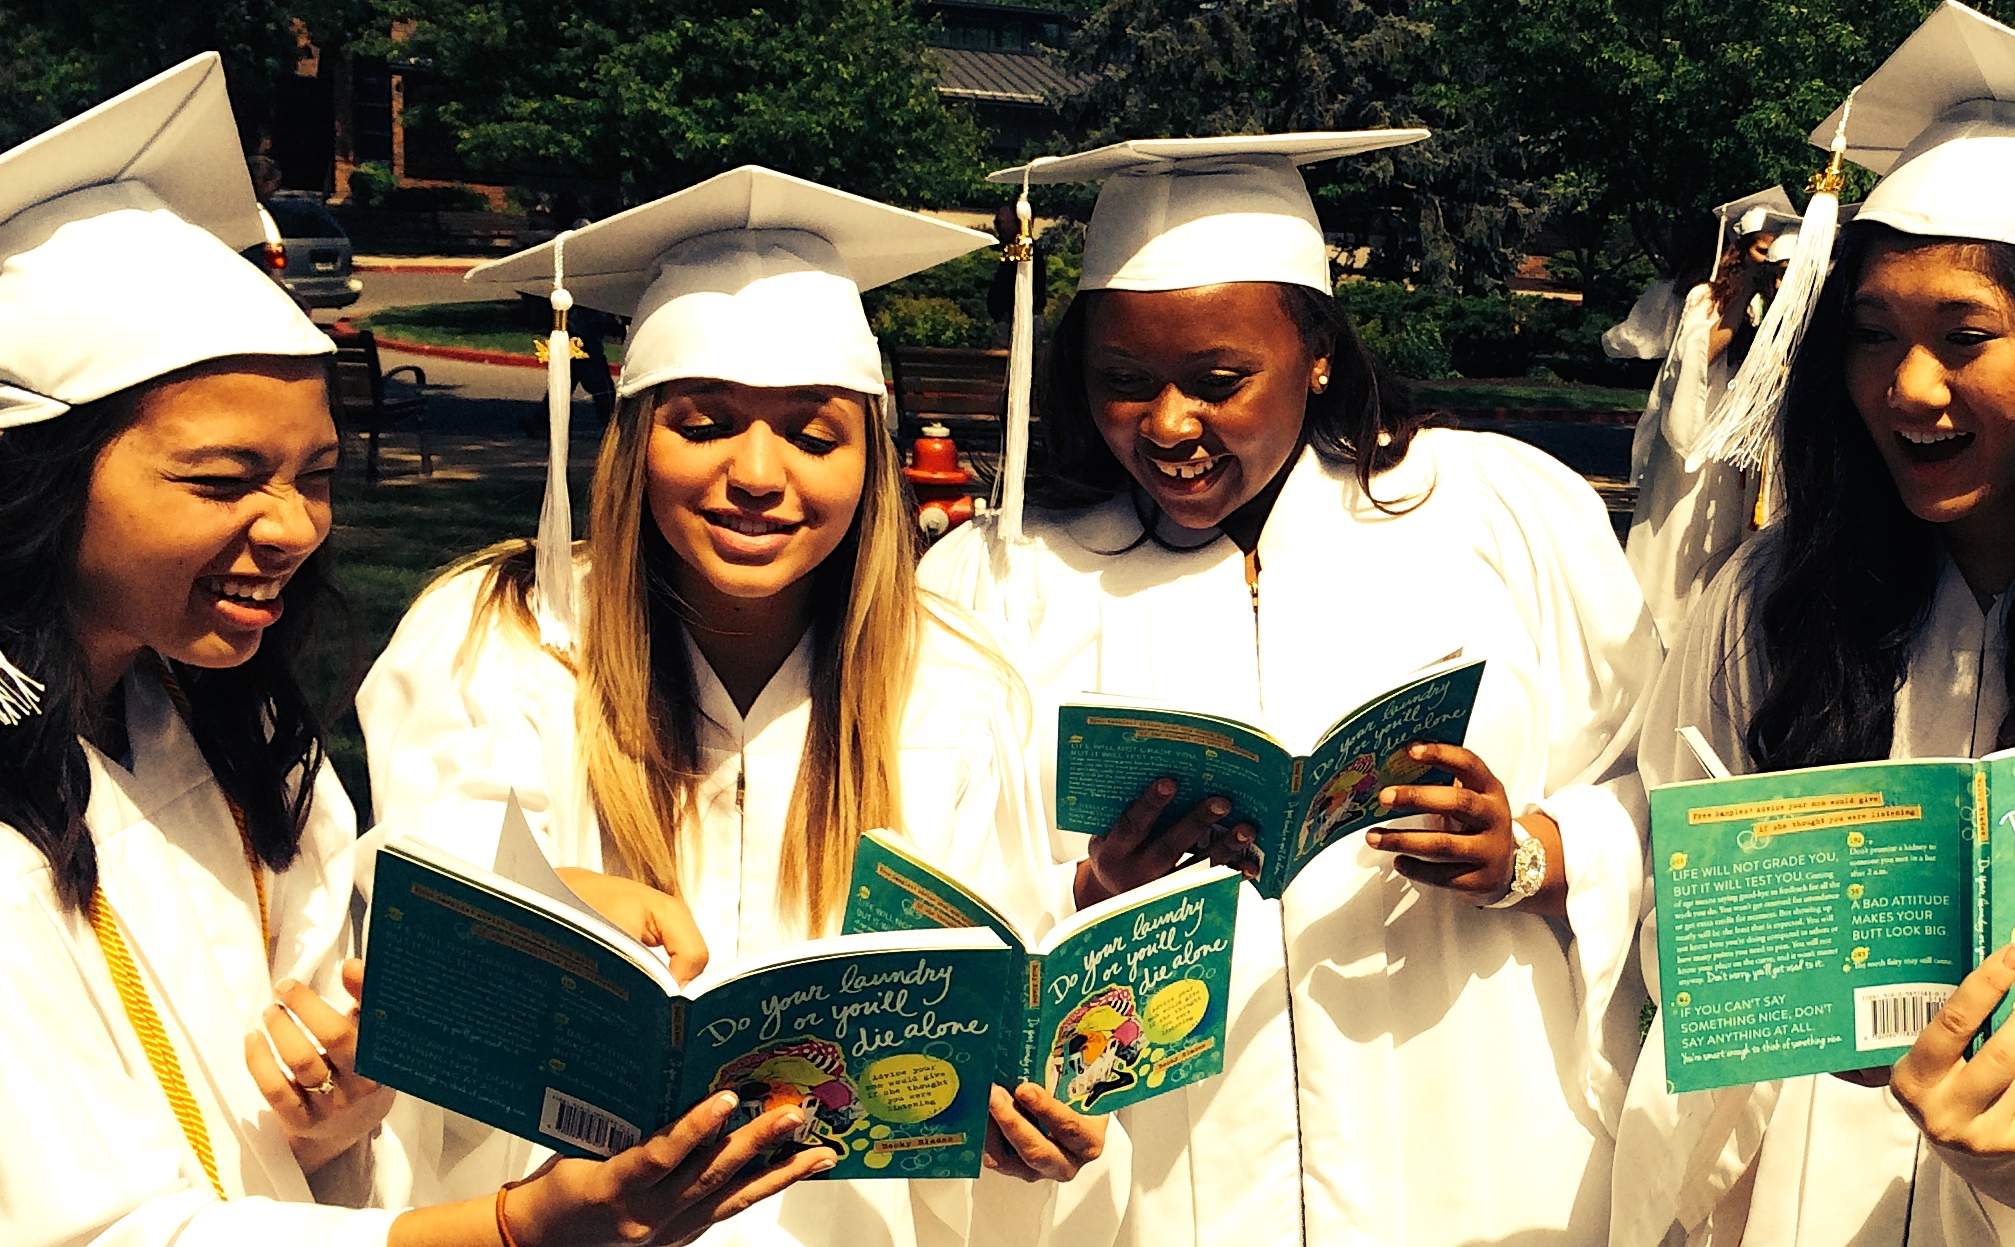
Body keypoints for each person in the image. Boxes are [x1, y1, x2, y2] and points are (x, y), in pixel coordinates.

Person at [0, 54, 831, 1247]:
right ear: (2, 471)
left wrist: (342, 1086)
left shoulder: (221, 728)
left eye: (314, 476)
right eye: (222, 480)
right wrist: (514, 1230)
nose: (295, 529)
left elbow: (290, 1116)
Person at [1605, 7, 2015, 1245]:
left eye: (1965, 337)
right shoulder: (1773, 593)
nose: (1908, 389)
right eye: (1871, 335)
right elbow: (1673, 873)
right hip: (1808, 1182)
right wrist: (1783, 995)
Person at [920, 130, 1658, 1247]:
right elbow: (936, 888)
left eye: (1220, 381)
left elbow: (1655, 773)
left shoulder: (1492, 516)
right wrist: (1088, 885)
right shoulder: (1007, 581)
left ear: (1316, 349)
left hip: (1480, 1153)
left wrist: (1531, 850)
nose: (1168, 425)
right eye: (1123, 382)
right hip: (1159, 1179)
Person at [355, 165, 1098, 1245]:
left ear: (873, 461)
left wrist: (1022, 1121)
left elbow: (1007, 978)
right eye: (703, 424)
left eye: (813, 433)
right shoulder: (502, 640)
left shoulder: (953, 688)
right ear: (633, 439)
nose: (759, 473)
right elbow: (392, 920)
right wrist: (546, 897)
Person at [1624, 188, 1801, 651]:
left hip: (1739, 440)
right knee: (1683, 529)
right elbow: (1696, 360)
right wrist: (1740, 302)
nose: (1766, 264)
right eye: (1762, 251)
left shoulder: (1774, 299)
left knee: (1725, 534)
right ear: (1738, 250)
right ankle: (1662, 634)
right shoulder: (1707, 295)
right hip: (1698, 433)